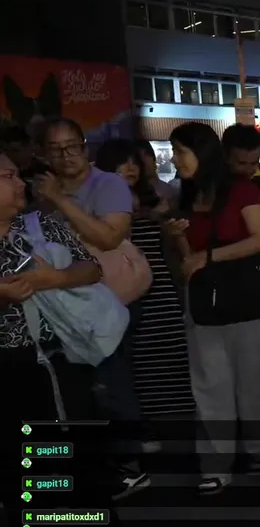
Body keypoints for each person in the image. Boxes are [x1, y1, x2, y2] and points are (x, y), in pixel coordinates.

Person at [0, 152, 119, 527]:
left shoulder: (41, 224)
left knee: (77, 446)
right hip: (9, 365)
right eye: (8, 176)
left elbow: (92, 268)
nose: (20, 183)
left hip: (59, 356)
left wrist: (54, 278)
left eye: (17, 175)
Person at [35, 119, 150, 499]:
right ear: (44, 154)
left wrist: (61, 201)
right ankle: (104, 463)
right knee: (85, 390)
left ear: (84, 147)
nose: (65, 155)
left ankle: (131, 465)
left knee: (113, 384)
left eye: (72, 146)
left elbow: (110, 236)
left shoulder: (108, 184)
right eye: (56, 149)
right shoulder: (42, 193)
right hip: (70, 305)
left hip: (113, 297)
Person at [165, 122, 260, 495]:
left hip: (252, 306)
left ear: (202, 153)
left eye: (180, 151)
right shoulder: (185, 195)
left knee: (255, 387)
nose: (175, 159)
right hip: (206, 305)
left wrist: (209, 256)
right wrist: (179, 239)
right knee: (210, 388)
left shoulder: (242, 190)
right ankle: (215, 465)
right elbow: (188, 262)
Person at [93, 140, 196, 441]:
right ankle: (146, 431)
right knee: (135, 364)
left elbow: (174, 252)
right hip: (121, 295)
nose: (131, 169)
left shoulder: (158, 202)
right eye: (122, 163)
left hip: (161, 292)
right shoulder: (98, 207)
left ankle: (179, 429)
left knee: (169, 358)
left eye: (134, 162)